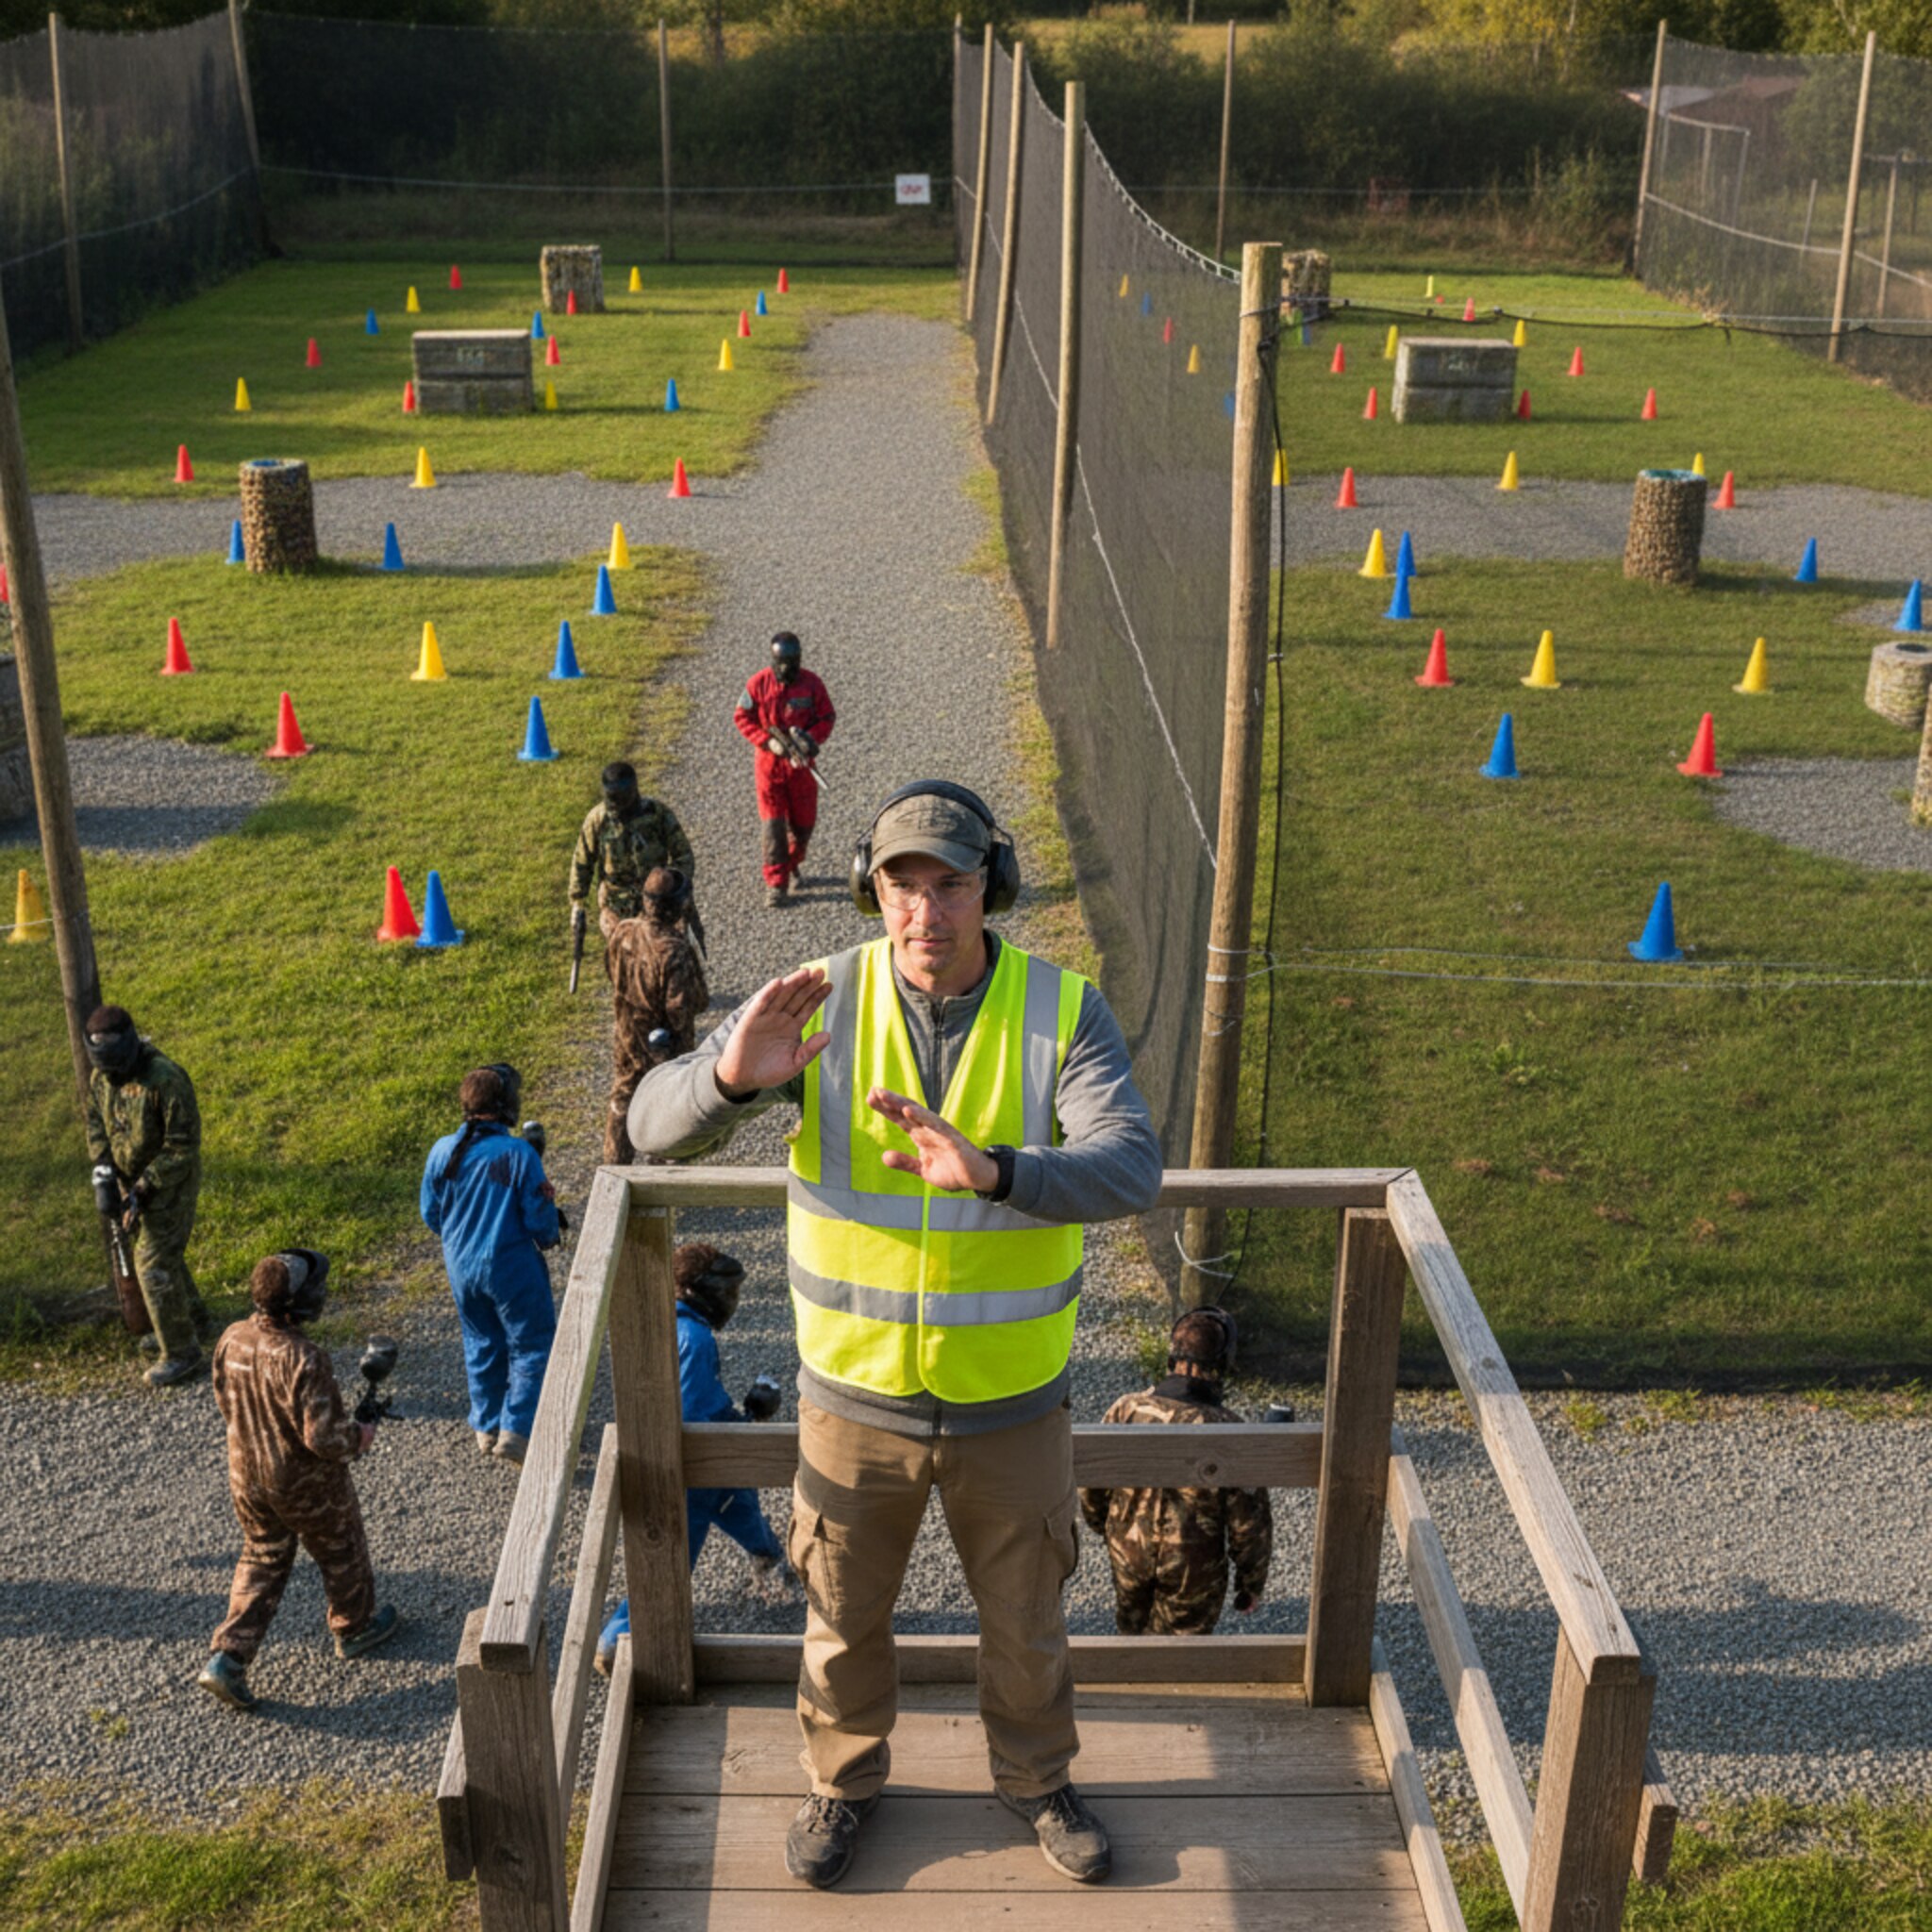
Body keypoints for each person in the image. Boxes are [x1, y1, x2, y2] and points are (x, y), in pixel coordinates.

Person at [627, 780, 1162, 1890]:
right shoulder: (815, 999)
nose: (925, 910)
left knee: (1026, 1622)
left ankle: (1034, 1778)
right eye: (900, 885)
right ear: (872, 889)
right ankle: (843, 1781)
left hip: (1011, 1398)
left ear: (990, 886)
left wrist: (1001, 1170)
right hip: (851, 1400)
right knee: (839, 1617)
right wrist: (730, 1078)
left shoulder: (1065, 1009)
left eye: (950, 883)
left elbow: (1130, 1165)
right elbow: (647, 1121)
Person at [197, 1249, 398, 1710]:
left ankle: (227, 1658)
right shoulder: (304, 1357)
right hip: (303, 1483)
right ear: (297, 1303)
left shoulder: (232, 1338)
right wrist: (360, 1435)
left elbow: (224, 1400)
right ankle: (355, 1627)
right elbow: (324, 1438)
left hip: (246, 1476)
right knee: (341, 1546)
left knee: (263, 1557)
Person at [593, 1241, 801, 1674]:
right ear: (696, 1290)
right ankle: (615, 1640)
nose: (731, 1303)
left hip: (669, 1457)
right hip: (687, 1472)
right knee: (670, 1568)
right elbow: (698, 1422)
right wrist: (754, 1417)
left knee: (741, 1503)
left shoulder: (666, 1322)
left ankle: (771, 1563)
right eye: (727, 1293)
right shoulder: (696, 1338)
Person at [1079, 1307, 1273, 1636]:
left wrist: (1111, 1530)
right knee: (1182, 1658)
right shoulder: (1228, 1429)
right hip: (1193, 1570)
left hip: (1129, 1555)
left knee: (1130, 1641)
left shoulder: (1126, 1409)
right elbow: (1249, 1525)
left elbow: (1092, 1486)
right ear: (1223, 1362)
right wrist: (1249, 1583)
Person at [419, 1065, 561, 1465]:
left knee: (481, 1342)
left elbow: (432, 1215)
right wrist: (551, 1234)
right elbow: (539, 1220)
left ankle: (486, 1426)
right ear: (506, 1107)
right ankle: (517, 1428)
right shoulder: (519, 1153)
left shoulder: (441, 1150)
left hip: (461, 1267)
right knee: (531, 1344)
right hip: (511, 1264)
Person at [81, 1004, 212, 1388]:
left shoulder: (165, 1079)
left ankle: (182, 1354)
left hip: (171, 1183)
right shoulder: (101, 1077)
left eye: (115, 1063)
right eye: (103, 1065)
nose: (111, 1073)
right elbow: (95, 1124)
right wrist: (104, 1173)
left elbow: (182, 1146)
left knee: (152, 1263)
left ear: (131, 1045)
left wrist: (143, 1186)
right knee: (163, 1254)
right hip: (129, 1183)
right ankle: (189, 1320)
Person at [604, 867, 708, 1166]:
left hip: (626, 1037)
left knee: (622, 1099)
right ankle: (661, 1175)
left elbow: (610, 972)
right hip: (666, 1048)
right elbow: (686, 1006)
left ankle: (614, 1171)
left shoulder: (623, 931)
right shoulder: (674, 950)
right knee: (668, 1109)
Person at [733, 631, 835, 908]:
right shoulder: (757, 684)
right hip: (769, 769)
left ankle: (792, 861)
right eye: (782, 662)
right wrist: (766, 742)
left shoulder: (812, 685)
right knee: (773, 829)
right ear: (773, 660)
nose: (787, 668)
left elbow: (827, 717)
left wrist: (809, 740)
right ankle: (776, 883)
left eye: (792, 661)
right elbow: (742, 717)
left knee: (804, 826)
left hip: (801, 767)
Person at [568, 759, 697, 956]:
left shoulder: (656, 814)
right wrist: (578, 904)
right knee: (626, 967)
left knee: (668, 959)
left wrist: (671, 886)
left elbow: (684, 855)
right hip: (617, 909)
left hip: (659, 906)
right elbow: (582, 862)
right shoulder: (597, 821)